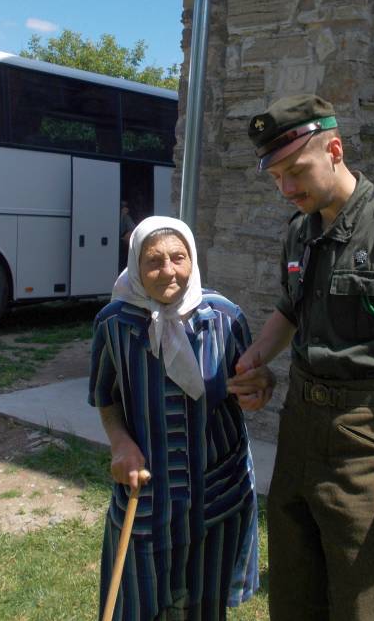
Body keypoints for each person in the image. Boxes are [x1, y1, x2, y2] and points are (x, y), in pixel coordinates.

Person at [229, 94, 374, 620]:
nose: (287, 189)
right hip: (299, 428)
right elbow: (290, 310)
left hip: (365, 437)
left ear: (334, 150)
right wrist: (254, 361)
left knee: (367, 601)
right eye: (276, 177)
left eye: (296, 171)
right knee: (294, 592)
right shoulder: (300, 230)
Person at [88, 215, 267, 621]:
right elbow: (105, 397)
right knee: (137, 606)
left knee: (205, 608)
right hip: (148, 498)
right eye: (154, 261)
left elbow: (253, 383)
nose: (168, 271)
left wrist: (259, 388)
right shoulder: (113, 324)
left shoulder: (225, 317)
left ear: (192, 259)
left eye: (178, 258)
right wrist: (120, 443)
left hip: (216, 497)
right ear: (135, 265)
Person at [119, 200, 137, 271]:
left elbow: (134, 230)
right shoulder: (117, 215)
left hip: (125, 243)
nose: (125, 208)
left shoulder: (126, 217)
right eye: (123, 206)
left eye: (125, 206)